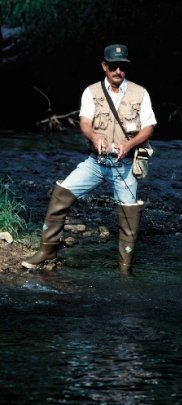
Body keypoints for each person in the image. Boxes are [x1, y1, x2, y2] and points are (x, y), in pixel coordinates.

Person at [22, 43, 157, 273]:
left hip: (124, 166)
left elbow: (149, 127)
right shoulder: (91, 92)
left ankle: (125, 270)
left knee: (129, 214)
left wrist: (129, 145)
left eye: (122, 67)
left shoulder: (140, 93)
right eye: (113, 66)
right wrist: (95, 138)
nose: (118, 72)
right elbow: (84, 123)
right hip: (95, 163)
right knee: (61, 193)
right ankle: (47, 250)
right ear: (104, 66)